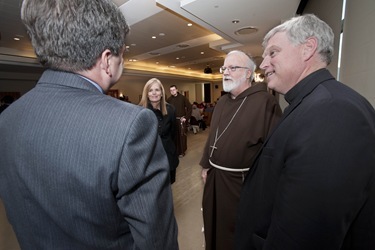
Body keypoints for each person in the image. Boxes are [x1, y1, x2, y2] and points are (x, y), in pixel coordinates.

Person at [0, 0, 178, 249]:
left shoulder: (7, 119)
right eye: (122, 54)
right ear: (107, 59)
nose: (123, 62)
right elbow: (156, 241)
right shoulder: (132, 124)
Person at [235, 14, 375, 249]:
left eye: (273, 52)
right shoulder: (313, 102)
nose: (263, 64)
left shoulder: (332, 111)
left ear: (308, 48)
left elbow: (305, 234)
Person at [200, 50, 282, 250]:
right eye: (224, 68)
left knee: (234, 233)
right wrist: (205, 164)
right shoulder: (222, 101)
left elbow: (274, 152)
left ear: (248, 73)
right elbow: (213, 136)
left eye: (232, 68)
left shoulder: (266, 103)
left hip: (241, 185)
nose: (225, 72)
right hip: (215, 179)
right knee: (213, 224)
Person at [139, 78, 179, 184]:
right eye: (151, 90)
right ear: (146, 94)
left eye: (157, 90)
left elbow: (174, 134)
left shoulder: (171, 110)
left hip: (168, 158)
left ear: (162, 93)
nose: (154, 93)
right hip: (149, 161)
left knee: (168, 191)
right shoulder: (139, 111)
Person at [167, 85, 192, 157]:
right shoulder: (169, 100)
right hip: (173, 121)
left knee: (182, 137)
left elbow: (189, 107)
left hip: (181, 120)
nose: (172, 91)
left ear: (177, 90)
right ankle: (176, 151)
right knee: (174, 137)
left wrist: (186, 118)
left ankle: (182, 152)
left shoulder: (183, 98)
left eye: (174, 90)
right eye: (171, 90)